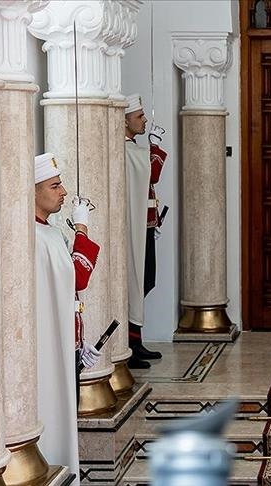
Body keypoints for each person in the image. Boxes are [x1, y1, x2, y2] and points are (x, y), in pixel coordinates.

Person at [34, 152, 101, 481]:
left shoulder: (50, 232)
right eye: (55, 186)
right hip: (47, 350)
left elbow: (67, 293)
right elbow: (77, 277)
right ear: (33, 191)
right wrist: (82, 229)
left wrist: (78, 341)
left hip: (66, 345)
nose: (63, 192)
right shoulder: (34, 237)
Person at [124, 94, 167, 368]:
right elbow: (152, 173)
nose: (144, 121)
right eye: (139, 116)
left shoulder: (134, 150)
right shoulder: (127, 151)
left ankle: (135, 340)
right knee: (136, 282)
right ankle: (130, 343)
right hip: (135, 229)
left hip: (146, 227)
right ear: (124, 121)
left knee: (145, 281)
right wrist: (154, 148)